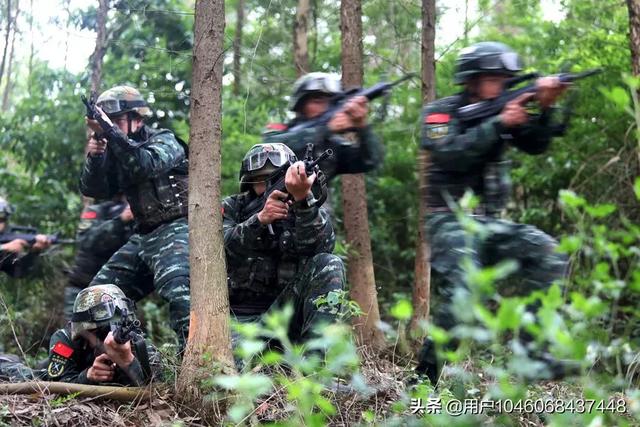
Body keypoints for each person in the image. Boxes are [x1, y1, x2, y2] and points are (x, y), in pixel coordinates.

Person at [416, 41, 573, 383]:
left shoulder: (505, 109)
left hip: (489, 223)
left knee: (550, 253)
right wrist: (499, 122)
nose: (503, 83)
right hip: (448, 219)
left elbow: (536, 144)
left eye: (506, 78)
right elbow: (450, 155)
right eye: (494, 77)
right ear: (471, 79)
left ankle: (533, 356)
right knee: (464, 288)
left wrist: (545, 109)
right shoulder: (439, 113)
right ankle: (423, 380)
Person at [80, 85, 190, 352]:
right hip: (144, 235)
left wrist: (111, 135)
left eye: (116, 121)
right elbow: (94, 189)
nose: (111, 128)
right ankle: (137, 356)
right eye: (108, 123)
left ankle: (196, 368)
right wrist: (96, 156)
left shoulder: (165, 140)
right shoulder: (116, 153)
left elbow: (144, 164)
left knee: (179, 291)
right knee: (97, 298)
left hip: (179, 227)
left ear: (138, 119)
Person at [222, 143, 345, 354]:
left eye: (275, 178)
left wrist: (303, 204)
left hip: (286, 317)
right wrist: (258, 221)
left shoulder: (304, 205)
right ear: (248, 183)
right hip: (240, 322)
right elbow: (216, 252)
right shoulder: (233, 207)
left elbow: (323, 247)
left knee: (330, 263)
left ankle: (313, 368)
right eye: (260, 179)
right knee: (238, 369)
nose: (268, 185)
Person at [0, 284, 162, 386]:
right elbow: (59, 385)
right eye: (105, 329)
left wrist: (127, 360)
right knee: (27, 376)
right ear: (87, 331)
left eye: (118, 325)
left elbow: (155, 389)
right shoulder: (66, 339)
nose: (111, 334)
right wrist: (88, 376)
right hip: (65, 370)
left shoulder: (134, 341)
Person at [262, 72, 383, 181]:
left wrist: (362, 126)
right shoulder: (280, 133)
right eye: (317, 100)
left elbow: (370, 161)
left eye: (332, 102)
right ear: (300, 105)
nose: (325, 106)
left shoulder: (333, 147)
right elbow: (270, 148)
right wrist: (325, 129)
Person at [64, 189, 134, 320]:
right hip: (82, 288)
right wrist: (120, 221)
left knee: (117, 336)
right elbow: (86, 241)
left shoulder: (137, 218)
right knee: (74, 336)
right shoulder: (96, 211)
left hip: (114, 295)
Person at [0, 197, 52, 277]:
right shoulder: (5, 246)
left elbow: (17, 272)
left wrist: (34, 252)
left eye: (1, 219)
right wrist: (4, 247)